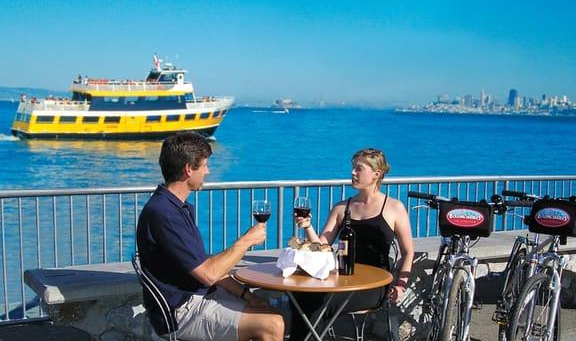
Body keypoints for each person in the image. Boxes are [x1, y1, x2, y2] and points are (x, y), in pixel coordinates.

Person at [136, 131, 284, 341]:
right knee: (272, 325)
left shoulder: (177, 207)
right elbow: (209, 274)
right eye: (204, 165)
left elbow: (203, 265)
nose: (207, 171)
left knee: (268, 311)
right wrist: (247, 241)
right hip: (179, 312)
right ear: (189, 169)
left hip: (197, 296)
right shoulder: (164, 214)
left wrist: (247, 295)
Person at [291, 148, 414, 341]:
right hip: (343, 279)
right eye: (353, 168)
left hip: (375, 285)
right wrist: (307, 226)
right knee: (300, 296)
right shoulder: (342, 207)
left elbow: (408, 252)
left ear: (376, 174)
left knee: (319, 304)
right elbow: (321, 246)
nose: (353, 173)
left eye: (359, 168)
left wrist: (400, 284)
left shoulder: (394, 208)